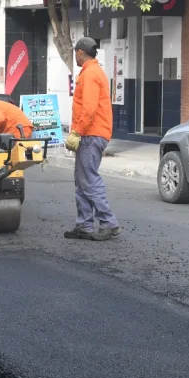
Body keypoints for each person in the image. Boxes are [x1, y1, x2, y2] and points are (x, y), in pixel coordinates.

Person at [64, 37, 120, 241]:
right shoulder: (94, 72)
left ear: (80, 52)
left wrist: (77, 132)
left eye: (75, 53)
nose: (75, 57)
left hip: (91, 133)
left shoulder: (89, 74)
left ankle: (108, 222)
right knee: (82, 180)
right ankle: (84, 225)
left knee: (88, 179)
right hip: (93, 132)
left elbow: (88, 108)